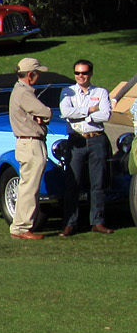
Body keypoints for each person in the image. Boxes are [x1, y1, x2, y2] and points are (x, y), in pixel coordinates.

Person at [59, 59, 113, 235]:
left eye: (84, 73)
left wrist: (84, 117)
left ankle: (97, 221)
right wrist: (90, 110)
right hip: (76, 140)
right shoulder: (67, 92)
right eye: (77, 73)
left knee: (98, 182)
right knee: (72, 183)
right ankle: (70, 222)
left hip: (96, 139)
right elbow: (66, 112)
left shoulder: (101, 92)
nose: (80, 76)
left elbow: (106, 114)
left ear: (90, 74)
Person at [8, 57, 53, 239]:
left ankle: (21, 226)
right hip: (31, 143)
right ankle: (21, 227)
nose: (39, 76)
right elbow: (45, 112)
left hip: (27, 142)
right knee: (29, 187)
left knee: (28, 186)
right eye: (37, 73)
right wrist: (41, 117)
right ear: (29, 75)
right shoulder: (24, 92)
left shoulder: (20, 91)